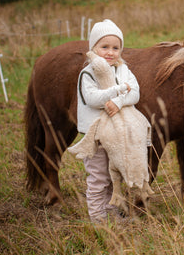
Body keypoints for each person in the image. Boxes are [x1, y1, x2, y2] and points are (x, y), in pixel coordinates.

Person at [77, 19, 141, 223]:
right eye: (104, 47)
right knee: (98, 177)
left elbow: (136, 93)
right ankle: (98, 220)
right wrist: (118, 91)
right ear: (93, 48)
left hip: (115, 133)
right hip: (96, 134)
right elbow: (93, 99)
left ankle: (111, 213)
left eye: (116, 47)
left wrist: (120, 101)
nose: (110, 52)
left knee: (113, 174)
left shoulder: (123, 70)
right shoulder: (88, 73)